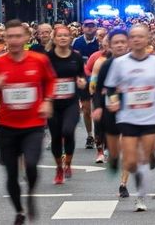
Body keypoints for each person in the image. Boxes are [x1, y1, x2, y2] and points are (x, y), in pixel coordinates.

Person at [0, 18, 55, 225]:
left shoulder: (38, 60)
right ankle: (19, 210)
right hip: (7, 127)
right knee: (11, 174)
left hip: (33, 126)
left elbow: (50, 82)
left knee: (31, 165)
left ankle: (30, 194)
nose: (13, 40)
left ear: (26, 38)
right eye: (9, 36)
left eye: (17, 36)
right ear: (4, 39)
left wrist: (47, 101)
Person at [104, 24, 155, 212]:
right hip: (127, 116)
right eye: (132, 36)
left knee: (145, 156)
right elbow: (110, 87)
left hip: (151, 116)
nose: (136, 40)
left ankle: (141, 198)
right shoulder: (120, 63)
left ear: (147, 39)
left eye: (140, 36)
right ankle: (141, 172)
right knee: (130, 161)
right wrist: (113, 101)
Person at [91, 30, 132, 198]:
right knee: (115, 149)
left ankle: (123, 184)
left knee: (129, 147)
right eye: (116, 42)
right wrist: (99, 107)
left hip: (132, 111)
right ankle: (113, 157)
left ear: (128, 44)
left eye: (123, 42)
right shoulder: (105, 65)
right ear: (110, 45)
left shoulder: (136, 63)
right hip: (111, 110)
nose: (120, 45)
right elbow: (98, 89)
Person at [47, 25, 86, 184]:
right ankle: (58, 168)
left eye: (65, 35)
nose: (63, 38)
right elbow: (42, 79)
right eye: (59, 36)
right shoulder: (48, 58)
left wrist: (82, 82)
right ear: (54, 39)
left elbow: (81, 75)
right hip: (53, 103)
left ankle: (68, 163)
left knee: (68, 131)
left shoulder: (76, 57)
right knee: (56, 136)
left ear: (70, 38)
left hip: (71, 102)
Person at [73, 20, 100, 150]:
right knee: (86, 109)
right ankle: (90, 135)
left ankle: (99, 135)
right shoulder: (76, 42)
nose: (89, 29)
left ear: (96, 28)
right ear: (82, 28)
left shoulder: (100, 42)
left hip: (98, 81)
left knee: (98, 109)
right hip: (83, 80)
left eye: (92, 26)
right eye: (87, 26)